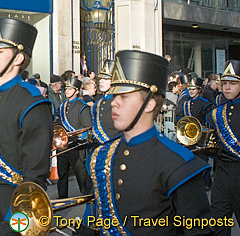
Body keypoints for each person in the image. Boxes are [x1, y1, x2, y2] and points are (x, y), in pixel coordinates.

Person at [80, 50, 212, 235]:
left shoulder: (179, 164)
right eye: (114, 96)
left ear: (149, 104)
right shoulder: (102, 155)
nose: (113, 103)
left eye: (124, 97)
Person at [0, 17, 53, 235]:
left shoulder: (32, 102)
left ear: (18, 58)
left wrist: (13, 222)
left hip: (15, 203)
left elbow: (35, 177)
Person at [206, 60, 240, 236]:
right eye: (224, 83)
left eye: (232, 83)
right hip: (221, 173)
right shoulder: (216, 113)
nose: (227, 87)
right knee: (218, 224)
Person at [56, 77, 92, 199]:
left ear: (76, 91)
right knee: (62, 173)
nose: (67, 91)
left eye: (70, 89)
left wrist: (79, 138)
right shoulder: (62, 107)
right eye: (66, 88)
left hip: (76, 145)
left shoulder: (82, 106)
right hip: (62, 145)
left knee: (80, 172)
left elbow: (87, 128)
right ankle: (62, 197)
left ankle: (86, 195)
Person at [91, 59, 120, 145]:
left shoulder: (119, 102)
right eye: (101, 78)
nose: (101, 81)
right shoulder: (98, 103)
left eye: (106, 79)